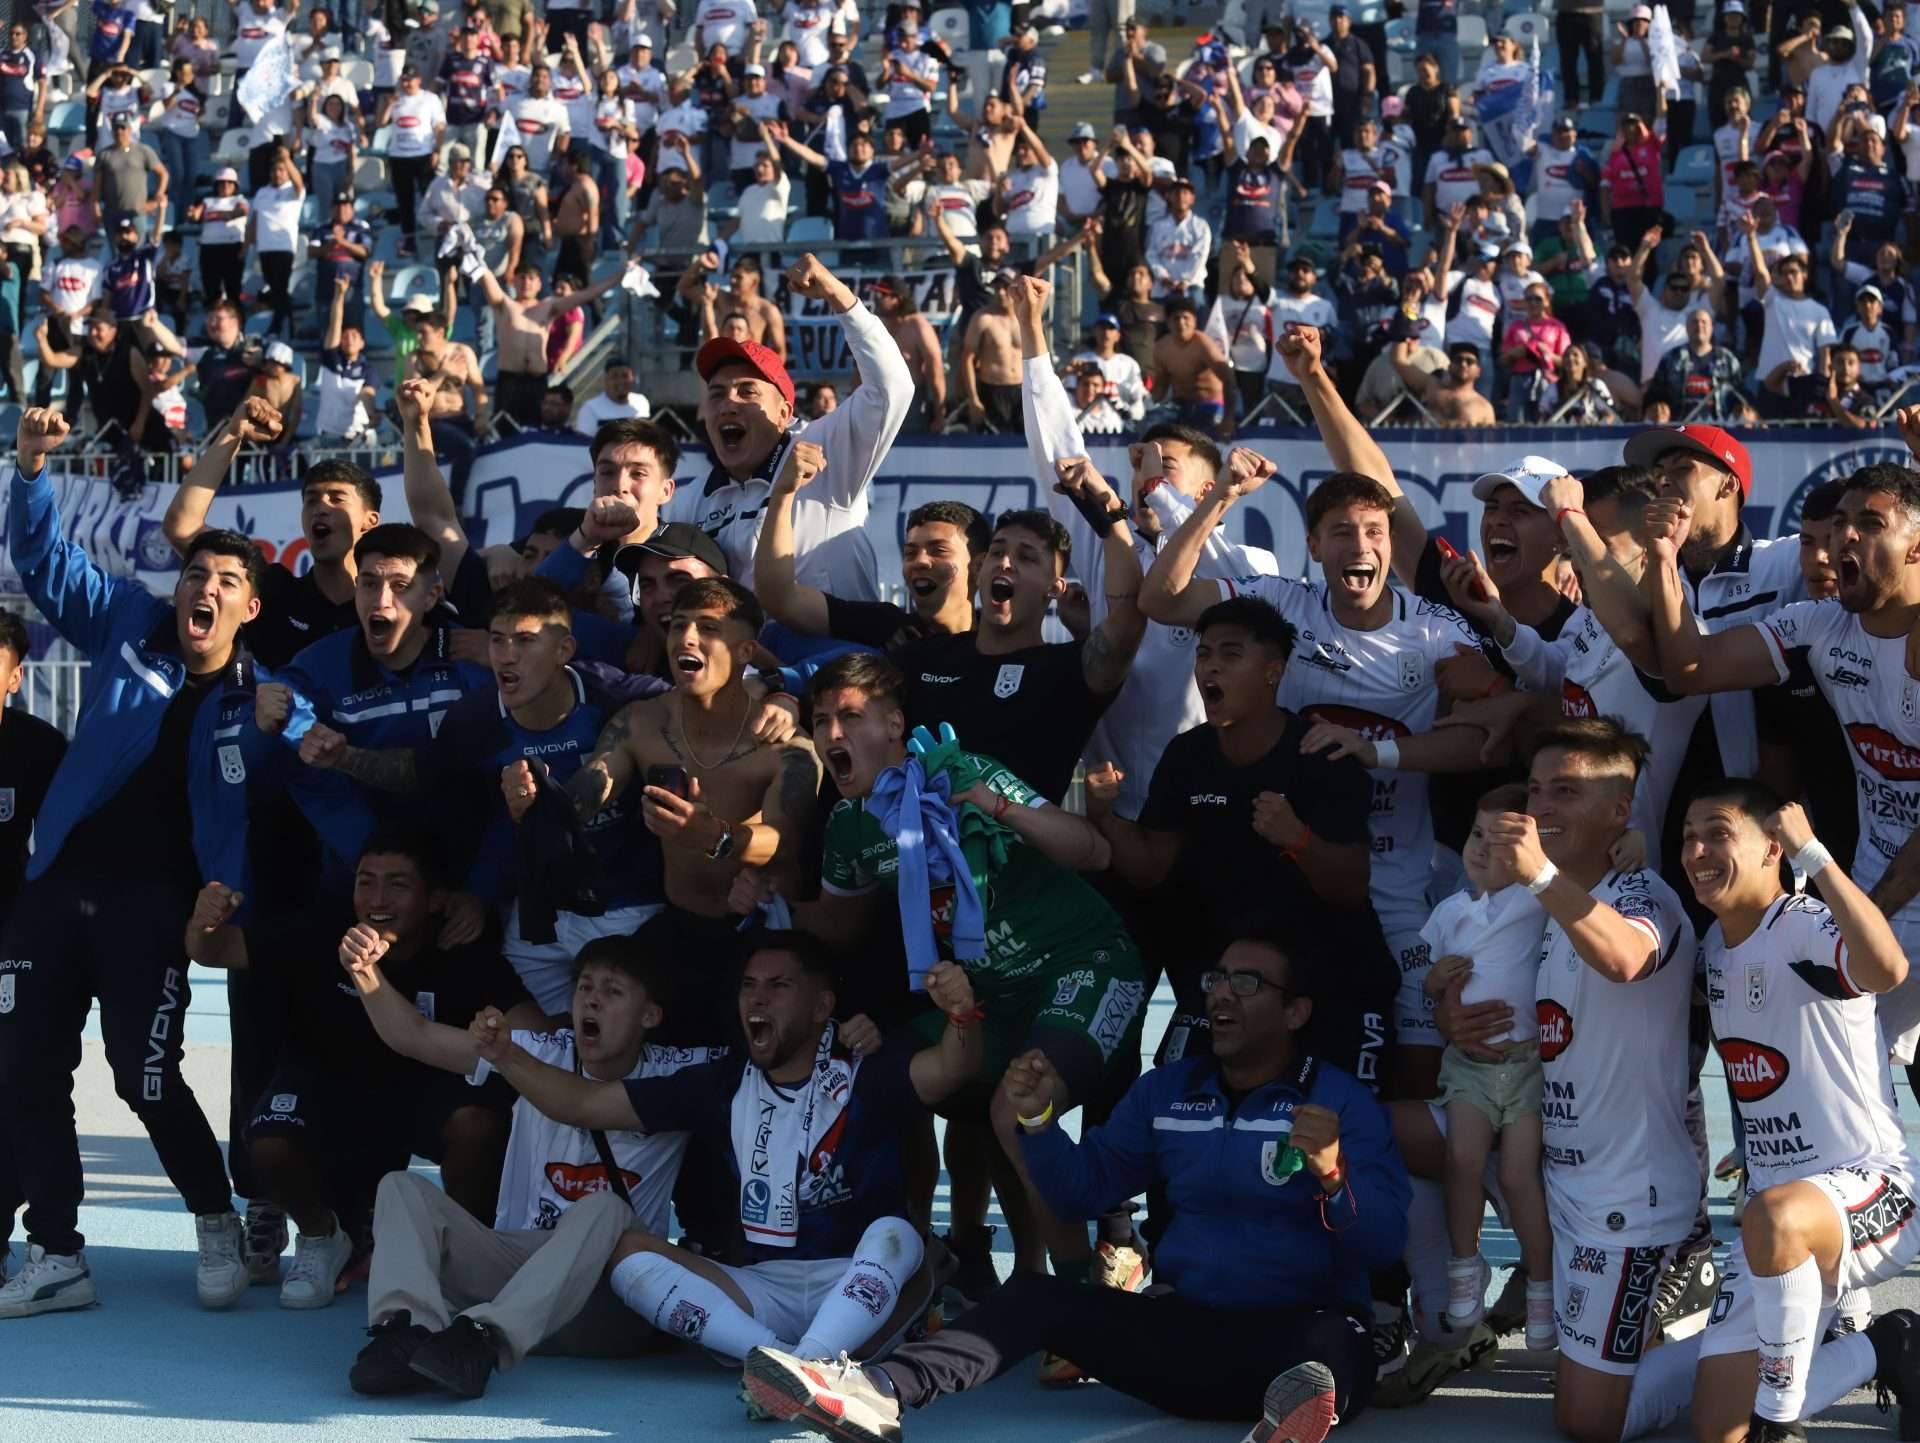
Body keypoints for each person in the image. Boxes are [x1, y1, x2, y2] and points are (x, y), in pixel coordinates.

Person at [746, 929, 1410, 1443]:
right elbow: (1078, 1192)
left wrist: (1333, 1174)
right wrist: (1037, 1121)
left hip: (1298, 1333)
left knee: (1331, 1351)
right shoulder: (1168, 1092)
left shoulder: (1340, 1102)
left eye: (1247, 981)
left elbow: (1382, 1241)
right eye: (1215, 978)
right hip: (1187, 1335)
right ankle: (877, 1390)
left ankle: (1295, 1412)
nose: (1221, 994)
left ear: (1295, 1011)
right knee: (1038, 1294)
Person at [741, 652, 1147, 1283]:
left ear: (897, 723)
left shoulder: (959, 775)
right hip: (992, 996)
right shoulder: (849, 826)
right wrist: (771, 904)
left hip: (1087, 964)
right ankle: (905, 1269)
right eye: (820, 722)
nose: (833, 734)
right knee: (879, 1081)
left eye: (851, 716)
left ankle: (1075, 1296)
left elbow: (1092, 853)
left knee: (1014, 1111)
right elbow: (840, 927)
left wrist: (997, 805)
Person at [1138, 407, 1493, 1097]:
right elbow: (1161, 595)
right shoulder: (1285, 604)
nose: (1360, 545)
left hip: (1401, 893)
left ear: (1390, 543)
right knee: (1275, 1078)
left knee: (1413, 1088)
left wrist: (1377, 753)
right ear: (1314, 545)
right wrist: (1221, 497)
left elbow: (1485, 735)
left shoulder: (1436, 630)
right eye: (1341, 532)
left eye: (1373, 531)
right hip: (1297, 892)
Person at [0, 409, 268, 1319]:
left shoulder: (260, 699)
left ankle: (214, 1216)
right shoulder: (130, 623)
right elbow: (42, 563)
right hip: (59, 885)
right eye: (196, 570)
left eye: (226, 579)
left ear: (249, 607)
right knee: (27, 1065)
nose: (204, 587)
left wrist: (224, 909)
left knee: (142, 1074)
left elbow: (266, 813)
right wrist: (33, 466)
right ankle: (57, 1249)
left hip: (153, 909)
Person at [470, 933, 974, 1384]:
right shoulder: (722, 1082)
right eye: (749, 985)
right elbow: (581, 1104)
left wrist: (960, 1012)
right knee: (628, 1253)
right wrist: (505, 1056)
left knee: (897, 1235)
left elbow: (951, 1070)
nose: (757, 997)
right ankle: (782, 1365)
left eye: (778, 986)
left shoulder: (867, 1066)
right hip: (757, 1292)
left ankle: (812, 1365)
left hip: (855, 1281)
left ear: (822, 1006)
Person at [1642, 442, 1920, 1073]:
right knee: (1835, 1068)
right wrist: (1663, 559)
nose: (1844, 537)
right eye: (1839, 523)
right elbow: (1688, 668)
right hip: (1883, 881)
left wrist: (1863, 911)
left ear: (1915, 546)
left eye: (1869, 524)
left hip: (1891, 889)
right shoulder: (1821, 626)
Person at [344, 933, 721, 1398]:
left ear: (650, 1015)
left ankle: (483, 1340)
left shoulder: (680, 1071)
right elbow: (415, 1036)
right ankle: (404, 1335)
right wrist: (364, 972)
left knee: (603, 1208)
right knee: (401, 1188)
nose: (592, 1001)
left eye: (612, 991)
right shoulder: (537, 1051)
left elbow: (766, 1067)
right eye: (585, 987)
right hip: (515, 1275)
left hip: (607, 1298)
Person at [184, 832, 536, 1306]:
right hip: (335, 1087)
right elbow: (214, 951)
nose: (377, 900)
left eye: (396, 886)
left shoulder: (464, 950)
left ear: (435, 900)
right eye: (365, 882)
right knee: (266, 1138)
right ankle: (321, 1236)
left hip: (428, 1095)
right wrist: (205, 922)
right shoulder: (323, 929)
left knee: (480, 1123)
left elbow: (538, 1040)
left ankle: (464, 1251)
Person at [1679, 781, 1920, 1442]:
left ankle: (1779, 1427)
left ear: (1771, 849)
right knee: (1713, 1432)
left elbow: (1888, 967)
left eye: (1719, 832)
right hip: (1775, 1216)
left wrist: (1815, 854)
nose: (1697, 849)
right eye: (1687, 836)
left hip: (1875, 1191)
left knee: (1777, 1212)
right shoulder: (1713, 948)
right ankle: (1889, 1343)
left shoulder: (1805, 922)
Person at [561, 577, 819, 1043]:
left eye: (708, 627)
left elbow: (784, 847)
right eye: (678, 625)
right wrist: (542, 803)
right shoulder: (643, 721)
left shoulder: (786, 747)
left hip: (757, 939)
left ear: (745, 651)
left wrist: (715, 836)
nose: (687, 638)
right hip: (675, 929)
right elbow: (594, 784)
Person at [664, 253, 911, 598]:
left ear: (784, 414)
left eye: (747, 391)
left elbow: (892, 387)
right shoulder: (689, 501)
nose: (728, 404)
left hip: (835, 649)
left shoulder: (823, 447)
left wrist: (836, 294)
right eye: (717, 394)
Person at [1420, 783, 1554, 1351]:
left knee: (1523, 1177)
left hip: (1526, 1069)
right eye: (1477, 835)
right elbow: (1428, 986)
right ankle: (1465, 1271)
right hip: (1469, 1068)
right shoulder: (1450, 912)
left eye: (1499, 843)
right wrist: (1437, 983)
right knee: (1462, 1160)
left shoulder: (1537, 900)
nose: (1480, 849)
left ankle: (1543, 1287)